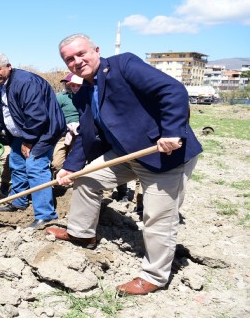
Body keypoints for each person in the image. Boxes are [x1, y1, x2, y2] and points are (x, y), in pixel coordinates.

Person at [48, 33, 202, 295]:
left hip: (163, 154)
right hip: (125, 153)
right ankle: (81, 233)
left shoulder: (124, 65)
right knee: (86, 180)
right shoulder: (84, 91)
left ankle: (154, 276)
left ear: (96, 50)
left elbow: (172, 90)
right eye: (69, 59)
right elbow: (89, 133)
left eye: (81, 54)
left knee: (157, 216)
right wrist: (71, 167)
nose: (77, 61)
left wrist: (172, 131)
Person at [0, 53, 65, 229]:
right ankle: (19, 201)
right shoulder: (0, 87)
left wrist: (28, 140)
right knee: (17, 163)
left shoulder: (25, 82)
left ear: (8, 66)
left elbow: (37, 115)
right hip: (22, 134)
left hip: (42, 133)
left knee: (35, 166)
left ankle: (45, 215)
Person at [51, 73, 82, 173]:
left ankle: (69, 183)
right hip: (63, 134)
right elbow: (52, 113)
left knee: (73, 160)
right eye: (67, 83)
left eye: (74, 84)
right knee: (57, 163)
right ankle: (57, 181)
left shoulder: (84, 97)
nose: (68, 85)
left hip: (78, 133)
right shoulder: (61, 97)